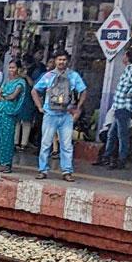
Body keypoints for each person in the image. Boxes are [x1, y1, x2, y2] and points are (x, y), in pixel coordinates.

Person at [31, 52, 88, 181]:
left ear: (67, 61)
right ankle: (43, 170)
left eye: (64, 59)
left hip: (66, 114)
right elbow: (34, 90)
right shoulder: (48, 76)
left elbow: (83, 91)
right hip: (50, 114)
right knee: (46, 143)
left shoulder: (74, 76)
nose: (62, 62)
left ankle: (66, 171)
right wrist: (40, 107)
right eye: (59, 59)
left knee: (66, 145)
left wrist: (78, 107)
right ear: (55, 61)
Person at [95, 52, 132, 170]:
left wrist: (129, 93)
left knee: (121, 135)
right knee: (112, 134)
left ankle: (121, 159)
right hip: (119, 106)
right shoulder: (129, 69)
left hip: (124, 106)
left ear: (127, 58)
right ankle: (107, 156)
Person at [0, 60, 29, 173]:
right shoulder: (7, 82)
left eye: (13, 67)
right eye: (9, 68)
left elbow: (13, 96)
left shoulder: (20, 82)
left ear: (18, 69)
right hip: (0, 112)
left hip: (9, 113)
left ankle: (5, 164)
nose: (11, 70)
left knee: (7, 138)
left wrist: (3, 97)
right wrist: (3, 97)